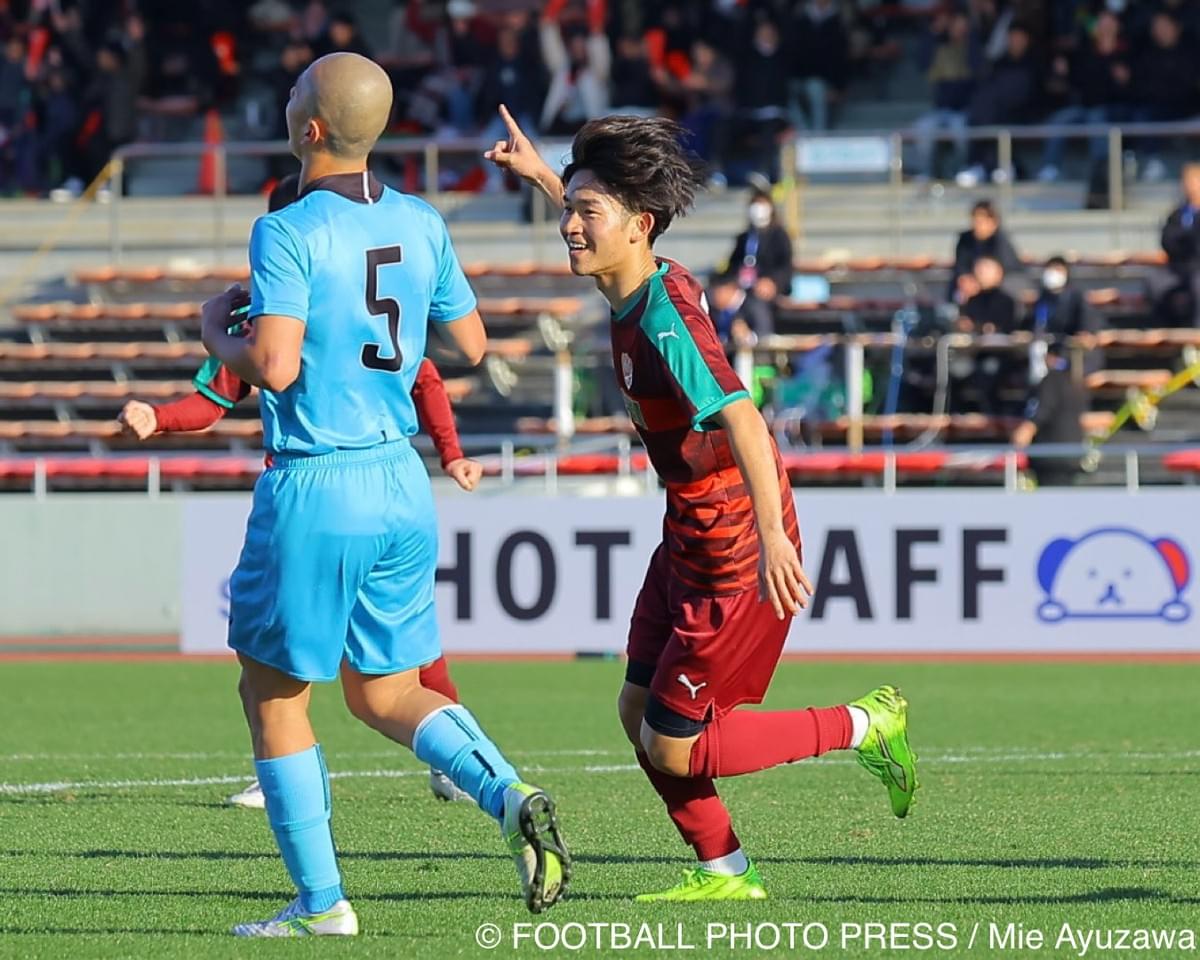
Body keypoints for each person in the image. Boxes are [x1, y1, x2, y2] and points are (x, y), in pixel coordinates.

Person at [485, 105, 918, 901]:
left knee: (676, 745)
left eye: (586, 212)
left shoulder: (665, 322)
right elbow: (601, 220)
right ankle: (725, 871)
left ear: (638, 227)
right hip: (688, 523)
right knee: (637, 710)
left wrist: (773, 537)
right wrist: (545, 174)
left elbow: (744, 417)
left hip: (732, 534)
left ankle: (865, 724)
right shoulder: (639, 271)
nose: (571, 226)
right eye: (570, 208)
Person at [199, 55, 569, 936]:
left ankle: (321, 904)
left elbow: (274, 365)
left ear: (311, 128)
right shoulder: (420, 220)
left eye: (297, 90)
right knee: (387, 691)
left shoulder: (285, 228)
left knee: (274, 697)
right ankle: (507, 794)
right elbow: (471, 345)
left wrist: (216, 331)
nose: (287, 95)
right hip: (400, 479)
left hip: (317, 479)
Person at [118, 173, 480, 810]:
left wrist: (451, 452)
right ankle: (487, 777)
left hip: (316, 490)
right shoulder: (349, 275)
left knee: (290, 672)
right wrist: (159, 416)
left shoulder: (293, 292)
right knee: (394, 660)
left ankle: (318, 812)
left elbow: (421, 375)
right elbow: (216, 397)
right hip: (390, 484)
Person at [709, 189, 793, 343]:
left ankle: (758, 338)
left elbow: (785, 267)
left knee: (755, 303)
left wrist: (774, 283)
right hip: (741, 286)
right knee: (713, 297)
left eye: (762, 204)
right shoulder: (744, 238)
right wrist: (724, 285)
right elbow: (733, 265)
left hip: (762, 289)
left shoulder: (779, 235)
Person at [910, 10, 977, 181]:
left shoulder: (973, 47)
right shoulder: (939, 47)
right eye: (956, 26)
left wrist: (969, 39)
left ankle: (964, 170)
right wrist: (934, 31)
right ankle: (925, 173)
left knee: (960, 130)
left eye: (963, 26)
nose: (959, 30)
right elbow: (922, 62)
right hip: (940, 110)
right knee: (922, 128)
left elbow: (977, 68)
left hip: (965, 111)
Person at [1012, 339, 1088, 487]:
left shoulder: (1052, 379)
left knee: (1052, 494)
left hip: (1053, 454)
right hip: (1071, 453)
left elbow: (1045, 408)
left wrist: (1028, 428)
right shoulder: (1075, 384)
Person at [949, 200, 1022, 304]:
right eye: (975, 220)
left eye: (982, 221)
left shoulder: (1001, 241)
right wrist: (965, 279)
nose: (978, 225)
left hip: (997, 287)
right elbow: (961, 267)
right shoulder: (965, 240)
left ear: (994, 222)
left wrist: (981, 282)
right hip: (971, 287)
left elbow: (1006, 270)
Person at [1154, 162, 1200, 326]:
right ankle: (1163, 331)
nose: (1189, 186)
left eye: (1193, 181)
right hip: (1177, 269)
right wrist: (1186, 238)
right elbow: (1167, 240)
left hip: (1197, 269)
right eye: (1186, 181)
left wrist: (1186, 238)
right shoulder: (1177, 214)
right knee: (1154, 282)